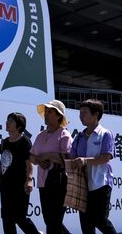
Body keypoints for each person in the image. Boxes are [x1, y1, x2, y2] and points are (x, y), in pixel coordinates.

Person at [69, 99, 117, 234]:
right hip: (83, 185)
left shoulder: (105, 134)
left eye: (84, 112)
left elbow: (106, 157)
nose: (81, 116)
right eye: (80, 112)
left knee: (100, 219)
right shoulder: (79, 137)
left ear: (96, 114)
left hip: (101, 183)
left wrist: (84, 160)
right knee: (86, 223)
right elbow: (72, 156)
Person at [30, 100, 72, 234]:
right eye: (45, 112)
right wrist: (39, 160)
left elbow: (67, 158)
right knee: (50, 220)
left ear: (59, 116)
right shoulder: (40, 135)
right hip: (43, 183)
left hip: (59, 184)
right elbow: (31, 156)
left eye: (50, 112)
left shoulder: (64, 135)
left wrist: (47, 155)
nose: (46, 115)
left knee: (54, 221)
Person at [0, 112, 43, 234]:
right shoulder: (5, 142)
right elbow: (2, 161)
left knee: (19, 217)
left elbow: (29, 163)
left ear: (19, 126)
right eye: (7, 120)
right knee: (6, 218)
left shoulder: (25, 141)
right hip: (6, 185)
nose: (7, 123)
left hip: (20, 185)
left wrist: (29, 180)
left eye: (11, 121)